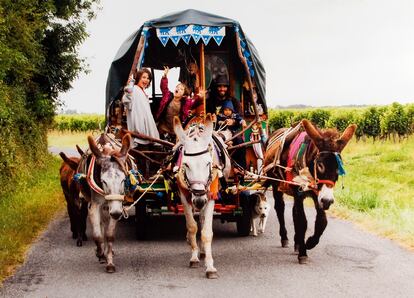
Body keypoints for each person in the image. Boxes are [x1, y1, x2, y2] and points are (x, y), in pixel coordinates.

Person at [122, 68, 159, 145]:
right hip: (138, 131)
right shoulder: (134, 89)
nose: (146, 80)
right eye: (144, 77)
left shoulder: (142, 92)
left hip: (147, 131)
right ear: (138, 78)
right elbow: (126, 100)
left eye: (148, 78)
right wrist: (128, 90)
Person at [156, 66, 193, 139]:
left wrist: (200, 97)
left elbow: (194, 103)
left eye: (181, 89)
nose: (178, 89)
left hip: (175, 130)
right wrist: (164, 76)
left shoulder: (185, 103)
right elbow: (164, 87)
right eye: (177, 87)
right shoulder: (168, 95)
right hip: (163, 127)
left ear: (183, 95)